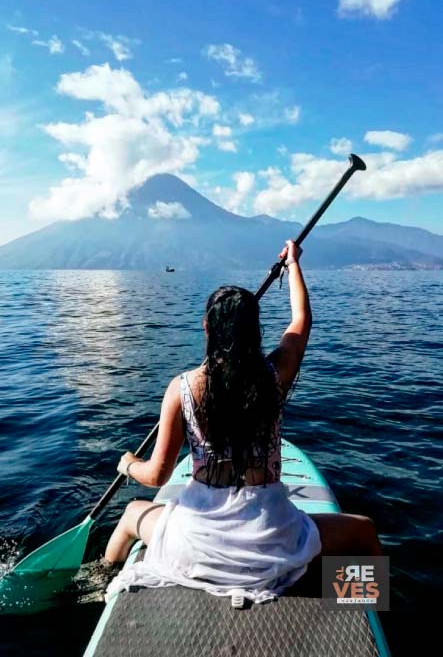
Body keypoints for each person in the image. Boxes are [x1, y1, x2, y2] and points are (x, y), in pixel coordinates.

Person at [104, 240, 382, 602]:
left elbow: (156, 476)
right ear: (255, 331)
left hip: (195, 544)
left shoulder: (181, 389)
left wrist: (128, 465)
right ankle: (364, 607)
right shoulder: (274, 376)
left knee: (130, 515)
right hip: (273, 540)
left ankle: (102, 587)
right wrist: (293, 264)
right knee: (364, 532)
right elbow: (301, 320)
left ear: (207, 328)